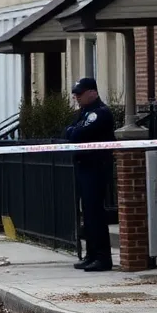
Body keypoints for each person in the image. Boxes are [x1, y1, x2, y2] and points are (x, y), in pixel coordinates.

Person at [64, 77, 116, 272]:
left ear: (92, 93)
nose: (76, 97)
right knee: (88, 213)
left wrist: (74, 131)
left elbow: (76, 134)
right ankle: (91, 254)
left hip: (96, 167)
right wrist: (73, 131)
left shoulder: (100, 113)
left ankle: (103, 258)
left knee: (96, 214)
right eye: (75, 93)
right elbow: (67, 132)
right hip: (84, 166)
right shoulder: (84, 113)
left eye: (80, 93)